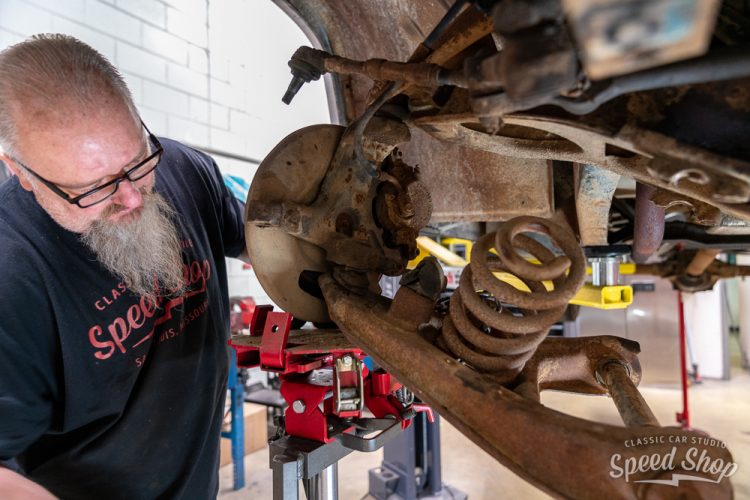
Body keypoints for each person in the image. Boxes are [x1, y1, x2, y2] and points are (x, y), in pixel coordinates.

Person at [0, 34, 247, 499]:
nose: (132, 197)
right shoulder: (12, 276)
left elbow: (267, 246)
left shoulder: (186, 169)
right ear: (22, 173)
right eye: (94, 188)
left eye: (137, 162)